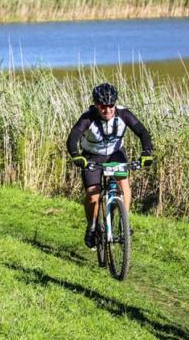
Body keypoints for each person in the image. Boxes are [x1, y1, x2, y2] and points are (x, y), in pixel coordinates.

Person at [66, 83, 154, 248]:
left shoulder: (124, 114)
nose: (107, 110)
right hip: (92, 157)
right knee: (93, 196)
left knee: (124, 185)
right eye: (103, 106)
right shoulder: (88, 118)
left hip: (115, 155)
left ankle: (124, 224)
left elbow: (142, 132)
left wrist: (146, 152)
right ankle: (92, 226)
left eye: (110, 105)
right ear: (96, 105)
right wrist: (76, 155)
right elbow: (73, 137)